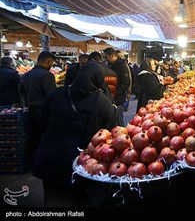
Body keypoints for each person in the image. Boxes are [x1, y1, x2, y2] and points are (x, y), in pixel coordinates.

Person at [32, 62, 118, 207]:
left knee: (52, 200)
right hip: (80, 165)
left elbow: (43, 122)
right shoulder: (103, 103)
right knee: (76, 202)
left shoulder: (57, 94)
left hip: (50, 159)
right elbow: (111, 136)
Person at [19, 51, 58, 166]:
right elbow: (52, 96)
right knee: (45, 137)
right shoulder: (47, 75)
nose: (51, 65)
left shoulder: (26, 75)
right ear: (48, 61)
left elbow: (21, 91)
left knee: (33, 138)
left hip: (31, 110)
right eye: (51, 63)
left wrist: (26, 103)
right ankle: (43, 163)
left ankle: (31, 163)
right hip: (44, 111)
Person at [103, 47, 131, 126]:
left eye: (106, 57)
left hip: (118, 98)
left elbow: (126, 83)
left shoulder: (121, 66)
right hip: (111, 97)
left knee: (119, 120)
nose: (106, 59)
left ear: (112, 55)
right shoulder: (110, 65)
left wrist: (115, 93)